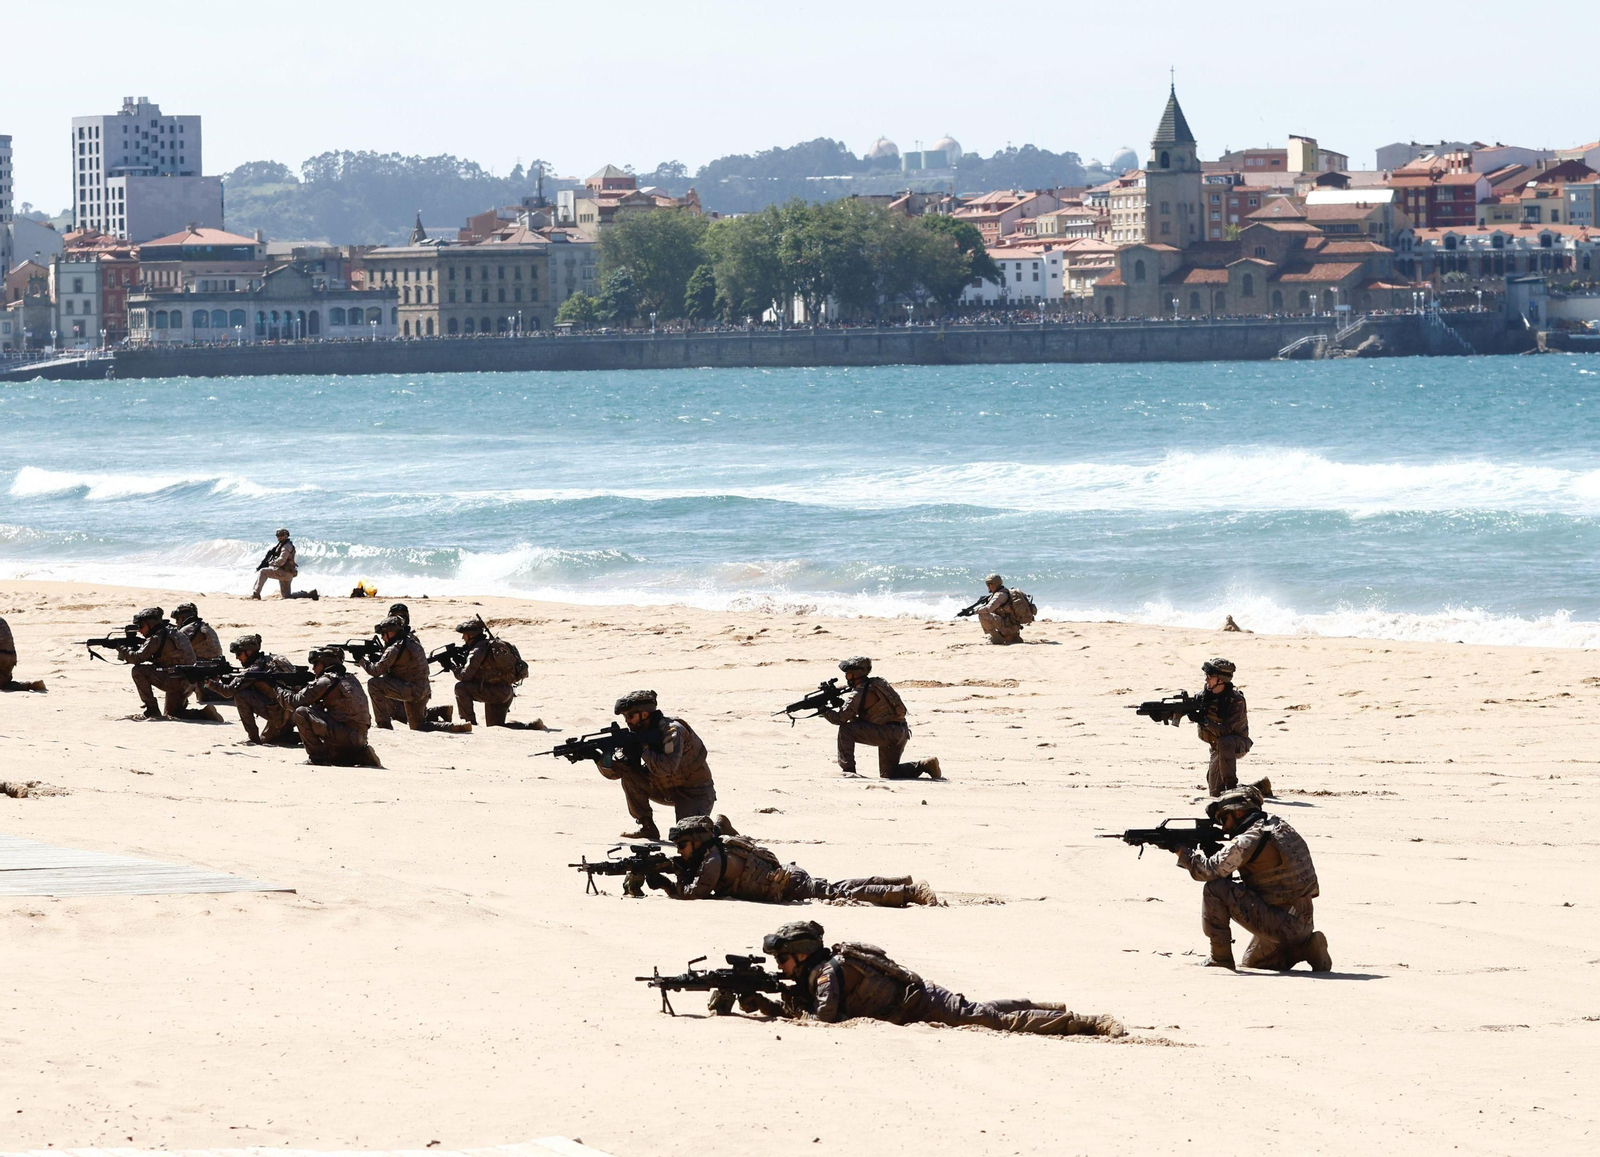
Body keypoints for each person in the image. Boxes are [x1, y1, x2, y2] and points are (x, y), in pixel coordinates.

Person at [728, 921, 1124, 1037]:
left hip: (921, 1002)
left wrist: (770, 1010)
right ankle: (1048, 1007)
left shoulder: (828, 974)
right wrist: (763, 1003)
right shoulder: (819, 970)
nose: (779, 966)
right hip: (916, 1004)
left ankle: (1085, 1023)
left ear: (801, 954)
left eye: (782, 959)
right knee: (981, 1011)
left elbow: (823, 1020)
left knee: (991, 1020)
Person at [1174, 786, 1331, 973]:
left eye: (1225, 819)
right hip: (1302, 919)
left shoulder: (1250, 838)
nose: (1224, 827)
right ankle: (1306, 948)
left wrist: (1182, 852)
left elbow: (1208, 871)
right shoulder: (1279, 827)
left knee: (1215, 888)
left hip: (1281, 923)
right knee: (1254, 963)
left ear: (1239, 812)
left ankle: (1220, 958)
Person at [650, 816, 937, 907]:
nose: (681, 852)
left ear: (697, 842)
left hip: (788, 886)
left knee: (842, 892)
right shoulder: (719, 846)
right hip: (789, 876)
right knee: (838, 886)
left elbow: (695, 893)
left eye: (683, 846)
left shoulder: (713, 861)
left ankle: (909, 893)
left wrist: (669, 880)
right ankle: (900, 882)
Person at [594, 689, 716, 841]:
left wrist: (643, 749)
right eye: (625, 716)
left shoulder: (673, 731)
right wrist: (601, 757)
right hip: (664, 788)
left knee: (689, 838)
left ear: (644, 714)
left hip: (694, 792)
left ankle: (720, 827)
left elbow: (667, 767)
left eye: (630, 716)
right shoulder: (637, 736)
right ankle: (647, 827)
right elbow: (617, 773)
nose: (627, 721)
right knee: (630, 776)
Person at [820, 657, 941, 780]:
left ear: (856, 674)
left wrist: (822, 709)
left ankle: (848, 770)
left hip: (886, 733)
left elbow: (839, 719)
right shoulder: (876, 684)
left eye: (848, 674)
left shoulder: (858, 694)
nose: (846, 677)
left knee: (846, 730)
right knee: (889, 773)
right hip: (900, 732)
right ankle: (925, 765)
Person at [276, 646, 380, 766]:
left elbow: (293, 702)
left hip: (344, 735)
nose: (313, 669)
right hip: (360, 737)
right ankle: (358, 755)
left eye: (316, 664)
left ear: (325, 663)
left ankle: (318, 758)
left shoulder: (326, 681)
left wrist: (276, 688)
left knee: (301, 712)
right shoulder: (351, 678)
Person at [1194, 657, 1270, 798]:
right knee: (1216, 793)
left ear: (1221, 680)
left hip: (1237, 743)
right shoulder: (1204, 696)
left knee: (1225, 742)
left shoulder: (1236, 700)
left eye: (1210, 677)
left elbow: (1226, 731)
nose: (1206, 680)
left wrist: (1204, 721)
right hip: (1217, 746)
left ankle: (1232, 788)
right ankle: (1258, 787)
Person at [208, 634, 299, 745]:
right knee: (272, 739)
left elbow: (228, 691)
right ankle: (287, 733)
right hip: (293, 713)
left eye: (239, 654)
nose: (237, 657)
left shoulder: (255, 669)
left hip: (279, 715)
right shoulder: (271, 661)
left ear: (249, 652)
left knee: (240, 695)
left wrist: (209, 683)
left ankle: (253, 738)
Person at [119, 607, 197, 720]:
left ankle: (152, 710)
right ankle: (204, 714)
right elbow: (164, 658)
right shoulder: (175, 633)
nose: (139, 631)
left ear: (150, 625)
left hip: (175, 681)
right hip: (188, 683)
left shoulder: (156, 638)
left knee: (138, 671)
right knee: (174, 714)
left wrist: (121, 648)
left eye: (141, 626)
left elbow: (137, 658)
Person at [361, 615, 434, 730]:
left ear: (391, 633)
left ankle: (383, 724)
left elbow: (375, 671)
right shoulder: (411, 641)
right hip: (423, 688)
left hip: (411, 690)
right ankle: (453, 726)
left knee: (374, 684)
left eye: (383, 634)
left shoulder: (395, 648)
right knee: (418, 726)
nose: (382, 637)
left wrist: (361, 660)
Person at [448, 618, 516, 727]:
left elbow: (464, 676)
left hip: (493, 692)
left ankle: (469, 723)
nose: (463, 637)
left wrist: (452, 666)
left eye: (464, 634)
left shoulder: (477, 650)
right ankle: (531, 725)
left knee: (460, 688)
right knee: (496, 726)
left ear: (471, 635)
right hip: (506, 691)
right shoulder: (490, 645)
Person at [173, 602, 225, 703]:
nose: (176, 623)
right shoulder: (200, 626)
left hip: (205, 670)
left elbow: (176, 649)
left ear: (181, 618)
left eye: (177, 619)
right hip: (211, 669)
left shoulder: (190, 629)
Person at [252, 528, 317, 600]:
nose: (279, 537)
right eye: (277, 535)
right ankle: (309, 594)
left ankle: (256, 593)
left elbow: (281, 561)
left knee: (263, 572)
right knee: (287, 596)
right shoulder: (281, 545)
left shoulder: (286, 546)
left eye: (281, 535)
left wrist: (269, 563)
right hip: (286, 573)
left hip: (284, 572)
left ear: (286, 536)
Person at [0, 615, 47, 693]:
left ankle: (25, 685)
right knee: (3, 683)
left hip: (2, 658)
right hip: (9, 658)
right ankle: (27, 685)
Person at [974, 573, 1023, 645]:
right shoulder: (1004, 592)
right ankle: (1010, 636)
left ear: (992, 584)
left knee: (982, 615)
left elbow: (988, 609)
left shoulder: (1000, 595)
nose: (988, 587)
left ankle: (997, 638)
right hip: (1013, 626)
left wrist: (973, 611)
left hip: (1008, 627)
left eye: (988, 584)